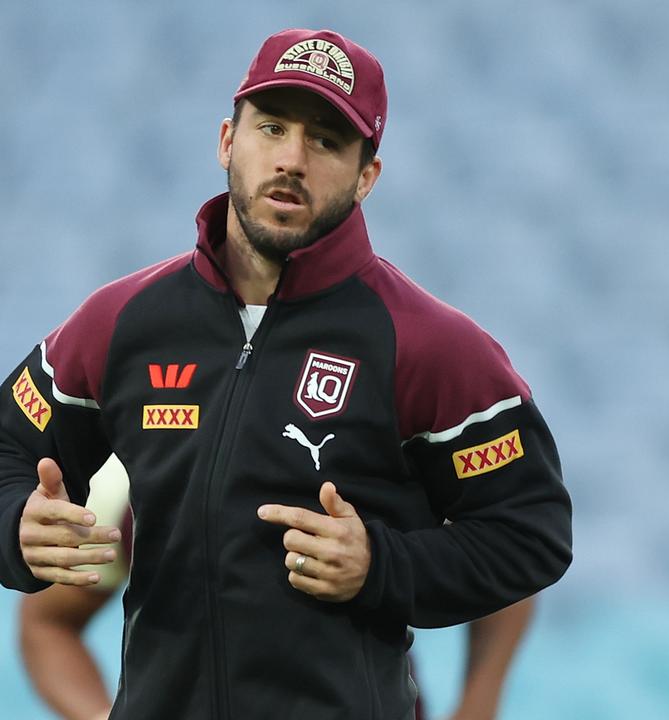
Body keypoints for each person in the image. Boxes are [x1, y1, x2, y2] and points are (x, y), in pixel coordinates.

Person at [0, 28, 572, 719]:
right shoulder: (121, 321)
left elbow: (529, 531)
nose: (292, 159)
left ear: (368, 176)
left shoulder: (429, 344)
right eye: (271, 127)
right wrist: (14, 525)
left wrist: (380, 567)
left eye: (327, 141)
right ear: (226, 142)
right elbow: (8, 450)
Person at [18, 459, 538, 720]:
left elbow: (505, 561)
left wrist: (476, 710)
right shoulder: (130, 478)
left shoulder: (386, 454)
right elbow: (47, 623)